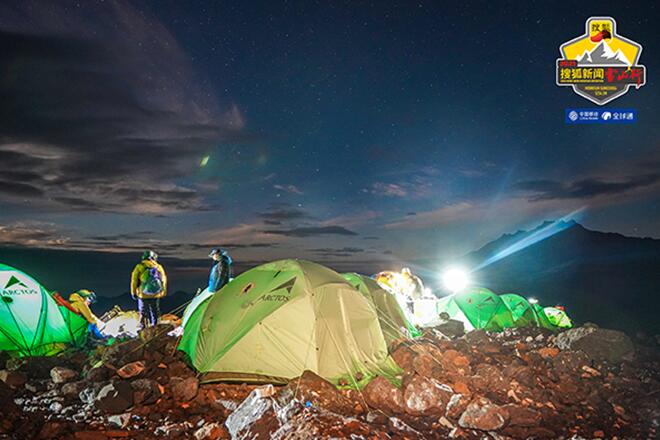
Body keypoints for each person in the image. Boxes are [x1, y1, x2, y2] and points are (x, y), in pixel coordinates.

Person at [131, 250, 167, 328]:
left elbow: (134, 281)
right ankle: (156, 327)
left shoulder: (140, 266)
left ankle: (143, 328)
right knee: (155, 311)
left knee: (143, 311)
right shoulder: (158, 267)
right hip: (156, 294)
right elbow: (163, 279)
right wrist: (163, 291)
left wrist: (133, 292)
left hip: (143, 294)